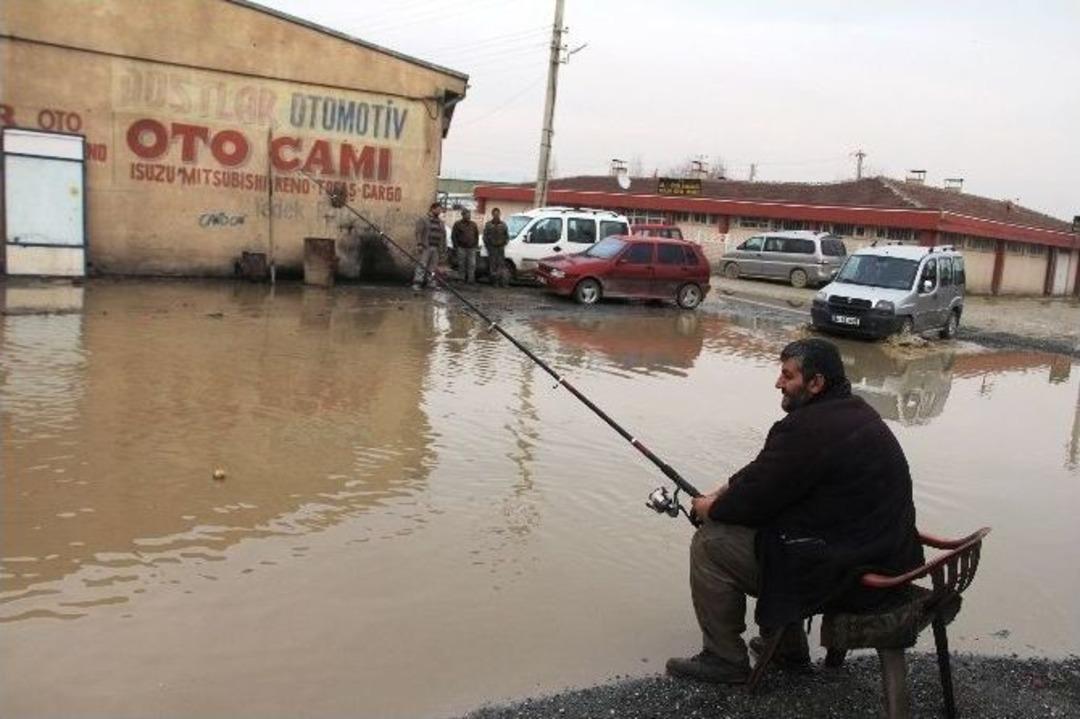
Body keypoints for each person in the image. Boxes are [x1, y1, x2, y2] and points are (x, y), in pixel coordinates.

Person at [666, 338, 924, 684]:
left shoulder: (808, 429)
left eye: (787, 376)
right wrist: (720, 491)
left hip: (855, 577)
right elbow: (766, 470)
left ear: (815, 383)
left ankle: (724, 659)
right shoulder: (855, 411)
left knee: (711, 543)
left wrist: (707, 508)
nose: (778, 383)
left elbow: (750, 504)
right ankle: (789, 651)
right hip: (887, 557)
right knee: (781, 532)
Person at [412, 202, 446, 290]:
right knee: (422, 265)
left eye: (440, 210)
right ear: (432, 209)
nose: (439, 211)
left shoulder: (441, 222)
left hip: (436, 248)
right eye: (438, 209)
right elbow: (418, 232)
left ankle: (430, 282)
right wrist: (419, 244)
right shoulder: (424, 219)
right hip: (425, 246)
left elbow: (443, 236)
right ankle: (417, 283)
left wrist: (442, 249)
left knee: (432, 267)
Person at [482, 207, 510, 287]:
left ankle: (503, 283)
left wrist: (504, 244)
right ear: (492, 215)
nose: (496, 216)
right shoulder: (488, 225)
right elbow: (485, 236)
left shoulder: (503, 225)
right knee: (493, 266)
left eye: (497, 214)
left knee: (501, 266)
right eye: (495, 214)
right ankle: (494, 282)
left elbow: (507, 236)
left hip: (500, 248)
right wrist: (488, 246)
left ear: (499, 214)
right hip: (492, 248)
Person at [451, 209, 480, 284]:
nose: (469, 216)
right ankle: (461, 279)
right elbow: (454, 236)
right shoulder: (457, 224)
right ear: (463, 215)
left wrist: (475, 245)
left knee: (472, 264)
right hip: (461, 247)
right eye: (467, 214)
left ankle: (471, 279)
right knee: (461, 264)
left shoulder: (473, 224)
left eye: (469, 214)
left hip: (472, 248)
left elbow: (476, 235)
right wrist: (456, 246)